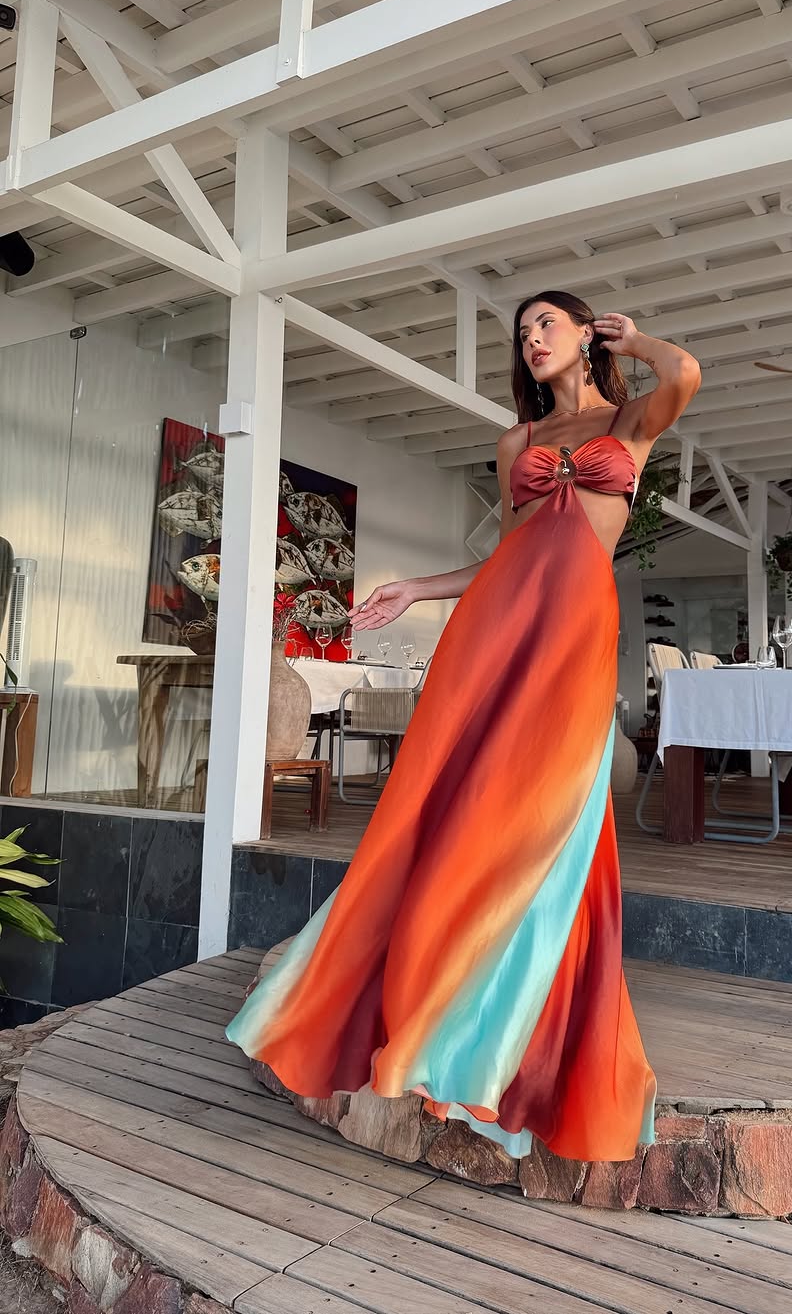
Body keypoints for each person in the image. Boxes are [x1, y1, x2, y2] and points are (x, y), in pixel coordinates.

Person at [226, 291, 701, 1165]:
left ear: (585, 332)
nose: (532, 339)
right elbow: (505, 554)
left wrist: (639, 341)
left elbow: (687, 374)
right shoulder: (518, 442)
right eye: (522, 333)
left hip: (576, 633)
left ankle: (501, 1017)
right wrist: (417, 588)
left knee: (547, 809)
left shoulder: (630, 422)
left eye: (546, 323)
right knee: (466, 799)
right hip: (499, 625)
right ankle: (431, 1000)